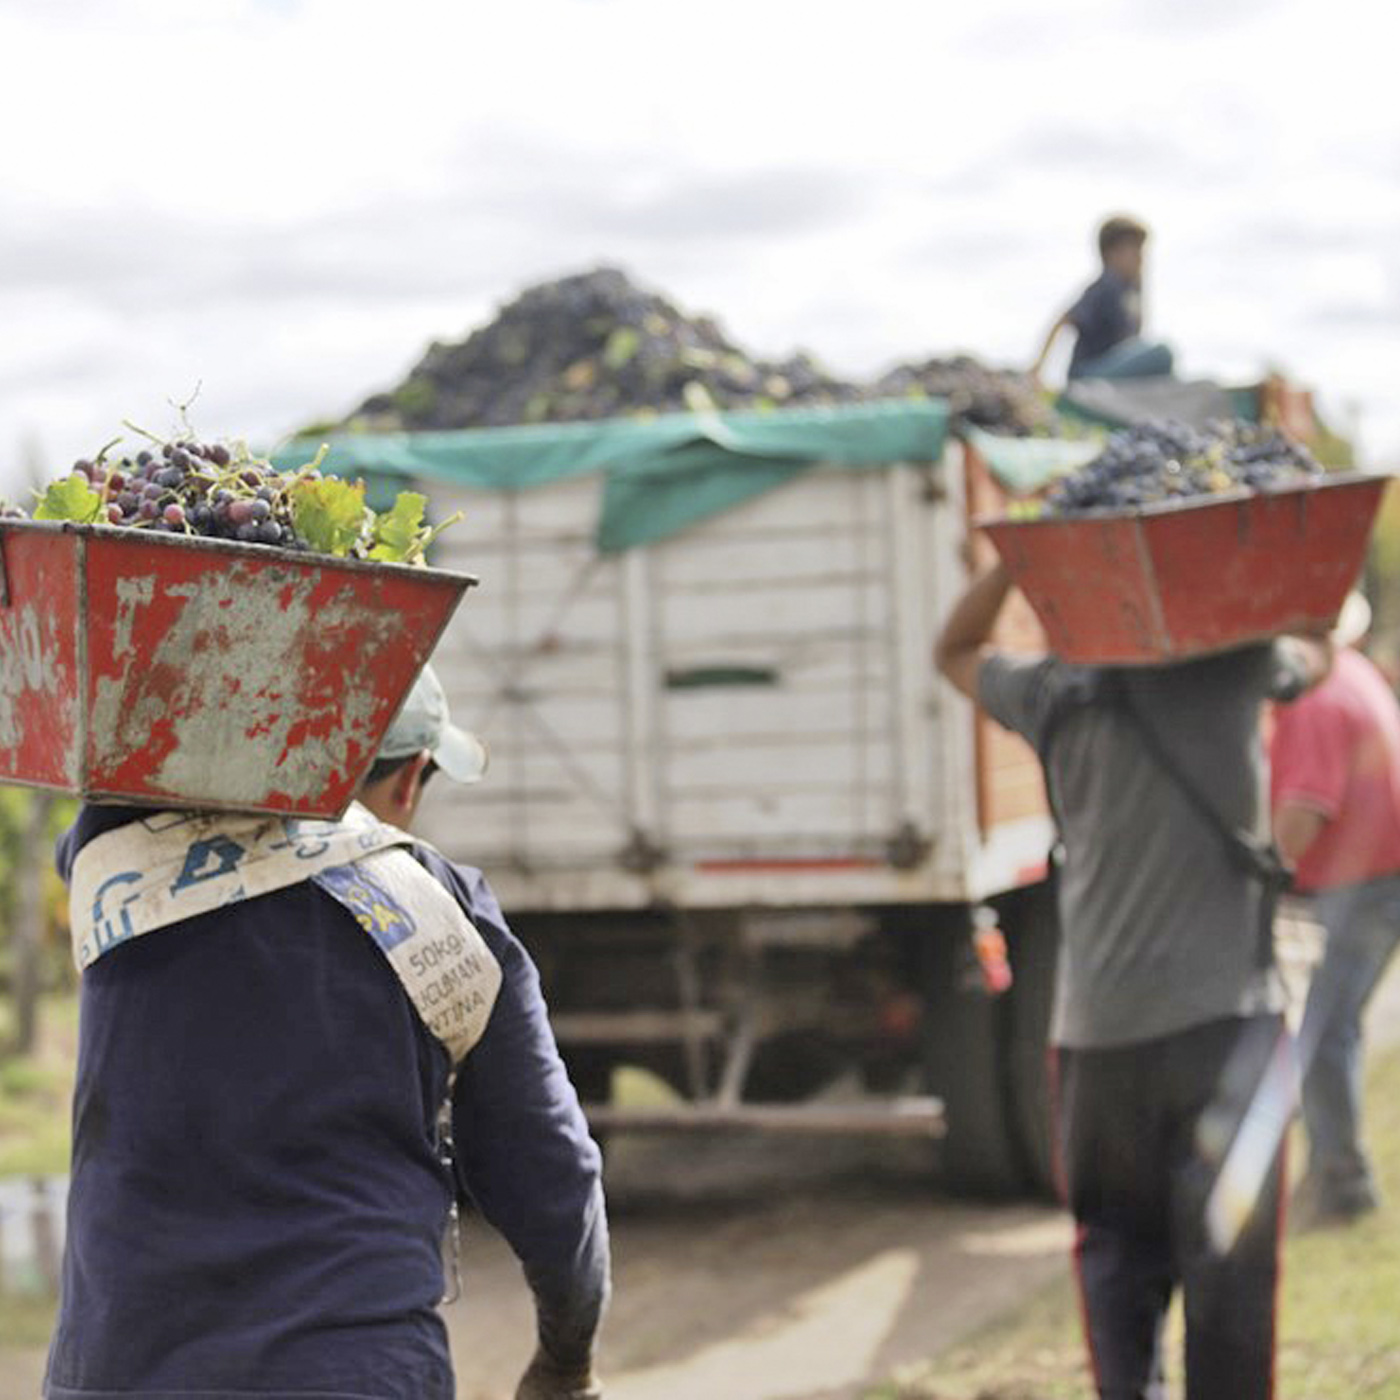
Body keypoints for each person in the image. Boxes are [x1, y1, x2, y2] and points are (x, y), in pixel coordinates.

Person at [44, 665, 610, 1400]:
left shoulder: (114, 865)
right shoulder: (451, 916)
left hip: (119, 1374)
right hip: (354, 1372)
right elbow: (554, 1172)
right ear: (410, 780)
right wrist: (567, 1361)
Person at [935, 562, 1328, 1400]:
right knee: (1233, 1287)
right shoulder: (1240, 665)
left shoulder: (1054, 692)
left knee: (1116, 1269)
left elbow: (955, 647)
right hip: (1230, 1031)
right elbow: (1327, 643)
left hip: (1098, 1043)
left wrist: (1016, 561)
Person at [1271, 593, 1400, 1224]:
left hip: (1368, 879)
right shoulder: (1354, 672)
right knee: (1330, 1027)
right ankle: (1333, 1173)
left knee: (1325, 1033)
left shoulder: (1314, 700)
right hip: (1378, 872)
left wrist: (1256, 876)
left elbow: (1304, 809)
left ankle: (1342, 1186)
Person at [1032, 215, 1175, 383]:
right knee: (1162, 353)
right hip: (1087, 375)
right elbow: (1064, 320)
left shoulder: (1127, 291)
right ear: (1111, 254)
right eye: (1134, 250)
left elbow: (1133, 341)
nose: (1140, 258)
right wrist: (1038, 368)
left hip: (1109, 370)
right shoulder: (1106, 286)